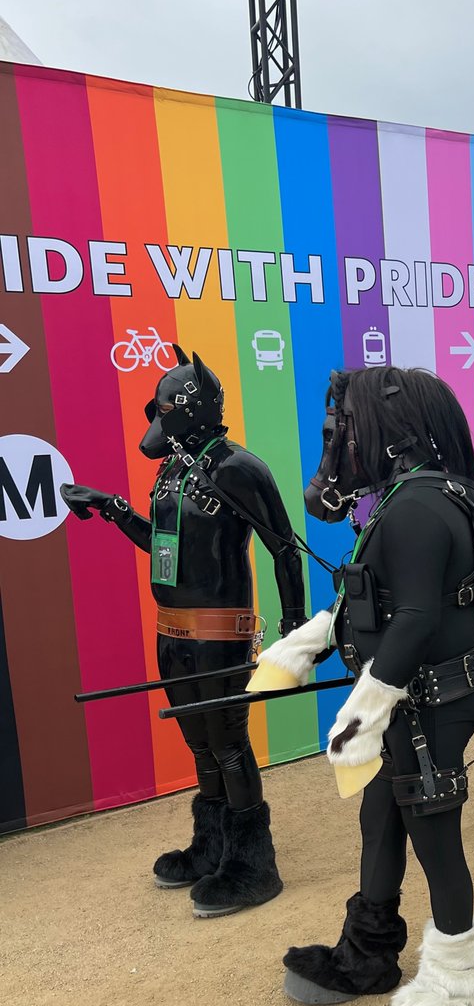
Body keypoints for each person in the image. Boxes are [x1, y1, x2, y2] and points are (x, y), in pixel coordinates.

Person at [253, 366, 474, 1006]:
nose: (336, 452)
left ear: (383, 433)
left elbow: (413, 618)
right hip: (411, 696)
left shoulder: (416, 507)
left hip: (430, 699)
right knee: (380, 821)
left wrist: (363, 713)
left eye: (342, 433)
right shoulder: (411, 498)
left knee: (431, 830)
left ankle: (457, 974)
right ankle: (368, 950)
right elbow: (369, 595)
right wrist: (303, 646)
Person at [60, 348, 307, 917]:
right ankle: (213, 846)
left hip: (219, 629)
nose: (158, 418)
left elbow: (284, 547)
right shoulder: (173, 470)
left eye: (166, 405)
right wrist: (113, 508)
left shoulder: (238, 468)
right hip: (172, 629)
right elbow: (162, 547)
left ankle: (253, 863)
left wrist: (294, 626)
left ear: (194, 407)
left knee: (227, 740)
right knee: (199, 742)